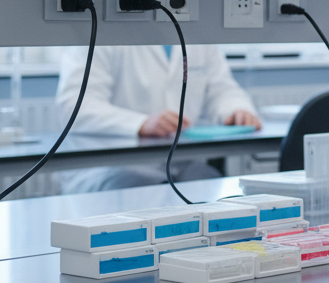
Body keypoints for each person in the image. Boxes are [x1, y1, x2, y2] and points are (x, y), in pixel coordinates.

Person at [56, 45, 260, 192]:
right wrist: (140, 124)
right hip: (110, 168)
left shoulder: (196, 34)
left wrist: (237, 109)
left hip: (181, 164)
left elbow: (221, 88)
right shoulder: (101, 30)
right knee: (139, 190)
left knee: (211, 184)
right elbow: (75, 105)